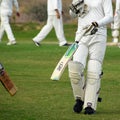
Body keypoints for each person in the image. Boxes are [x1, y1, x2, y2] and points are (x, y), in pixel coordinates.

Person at [68, 0, 113, 115]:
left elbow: (110, 16)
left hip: (98, 34)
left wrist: (97, 23)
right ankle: (79, 99)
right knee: (75, 68)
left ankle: (90, 105)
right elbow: (73, 15)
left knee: (94, 71)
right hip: (81, 35)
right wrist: (73, 10)